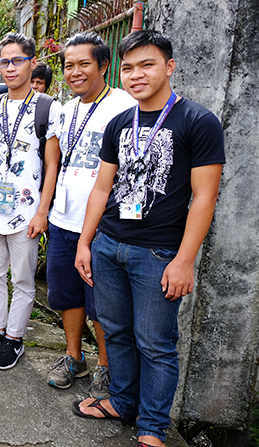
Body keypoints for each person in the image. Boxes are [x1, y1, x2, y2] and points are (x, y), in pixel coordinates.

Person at [72, 30, 225, 447]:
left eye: (147, 65)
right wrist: (87, 243)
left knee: (156, 344)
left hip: (157, 254)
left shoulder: (198, 121)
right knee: (115, 330)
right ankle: (122, 402)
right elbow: (102, 189)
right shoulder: (120, 122)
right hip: (109, 245)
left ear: (169, 67)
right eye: (128, 68)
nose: (136, 75)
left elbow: (204, 197)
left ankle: (152, 427)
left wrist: (184, 260)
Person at [43, 32, 135, 394]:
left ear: (104, 65)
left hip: (103, 226)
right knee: (67, 295)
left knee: (103, 303)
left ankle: (106, 366)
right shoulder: (66, 111)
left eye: (84, 64)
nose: (75, 72)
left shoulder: (126, 105)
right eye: (69, 66)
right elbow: (57, 162)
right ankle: (74, 358)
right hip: (64, 220)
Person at [0, 33, 61, 370]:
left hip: (27, 211)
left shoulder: (48, 107)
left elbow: (52, 163)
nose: (9, 68)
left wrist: (43, 211)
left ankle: (15, 338)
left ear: (32, 62)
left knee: (22, 279)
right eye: (4, 62)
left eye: (17, 61)